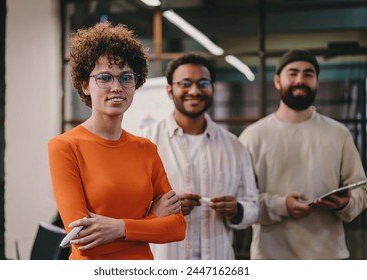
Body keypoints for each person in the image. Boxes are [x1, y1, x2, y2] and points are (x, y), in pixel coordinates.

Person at [48, 21, 186, 260]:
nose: (116, 87)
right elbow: (82, 240)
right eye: (104, 77)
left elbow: (177, 228)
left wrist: (119, 228)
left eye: (126, 77)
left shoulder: (145, 149)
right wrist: (151, 221)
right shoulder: (65, 147)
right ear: (85, 85)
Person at [239, 49, 367, 259]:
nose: (300, 80)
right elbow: (242, 201)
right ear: (278, 81)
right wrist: (282, 206)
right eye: (293, 73)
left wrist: (346, 203)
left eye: (308, 74)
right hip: (271, 258)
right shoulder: (253, 136)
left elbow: (361, 189)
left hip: (328, 256)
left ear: (317, 82)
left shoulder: (338, 133)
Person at [141, 53, 259, 259]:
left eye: (203, 83)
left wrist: (237, 210)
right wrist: (162, 210)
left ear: (212, 88)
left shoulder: (234, 146)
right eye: (185, 83)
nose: (194, 91)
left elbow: (253, 206)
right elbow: (129, 209)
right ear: (170, 90)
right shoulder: (145, 144)